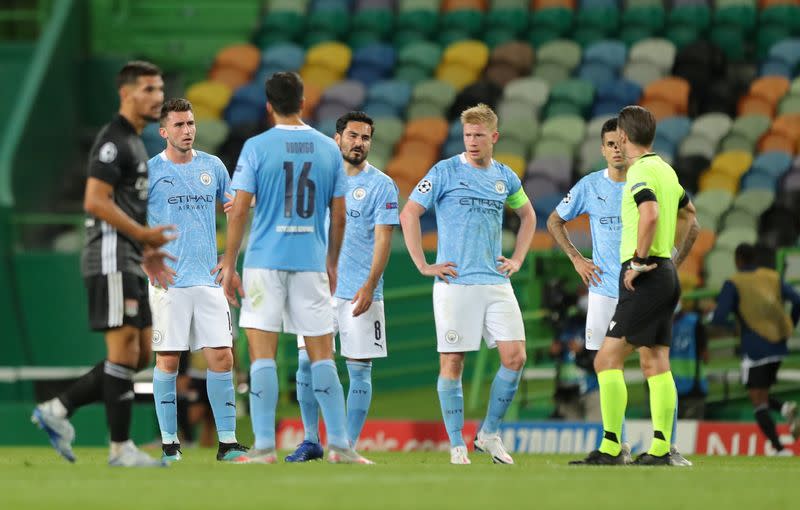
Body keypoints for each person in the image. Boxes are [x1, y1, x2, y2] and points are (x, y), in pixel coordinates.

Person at [219, 72, 371, 464]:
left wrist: (229, 262)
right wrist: (332, 261)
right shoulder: (326, 149)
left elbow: (238, 210)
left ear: (268, 106)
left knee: (263, 357)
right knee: (322, 354)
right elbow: (339, 215)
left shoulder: (256, 147)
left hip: (264, 263)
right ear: (304, 102)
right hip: (310, 262)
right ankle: (339, 445)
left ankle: (266, 447)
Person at [32, 61, 175, 467]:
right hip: (109, 256)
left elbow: (125, 203)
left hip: (129, 256)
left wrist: (146, 249)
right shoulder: (113, 141)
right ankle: (120, 449)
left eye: (160, 88)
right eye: (149, 89)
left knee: (142, 352)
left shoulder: (136, 142)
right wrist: (142, 235)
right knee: (124, 351)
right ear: (126, 93)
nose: (157, 97)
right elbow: (95, 200)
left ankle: (58, 408)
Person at [550, 118, 696, 465]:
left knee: (608, 360)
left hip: (638, 280)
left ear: (628, 139)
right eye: (609, 144)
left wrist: (640, 262)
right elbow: (691, 215)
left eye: (620, 142)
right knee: (653, 362)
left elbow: (651, 215)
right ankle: (657, 448)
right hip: (611, 287)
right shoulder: (659, 171)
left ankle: (617, 446)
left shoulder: (640, 174)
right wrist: (576, 259)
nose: (617, 149)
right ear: (602, 149)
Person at [399, 103, 536, 465]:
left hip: (495, 281)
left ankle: (489, 434)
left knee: (516, 356)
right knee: (453, 361)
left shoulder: (505, 177)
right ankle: (457, 443)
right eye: (467, 135)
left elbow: (528, 215)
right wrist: (423, 264)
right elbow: (409, 212)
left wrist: (518, 258)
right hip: (455, 283)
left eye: (479, 135)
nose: (473, 142)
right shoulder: (444, 171)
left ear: (494, 137)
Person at [287, 111, 399, 462]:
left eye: (365, 138)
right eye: (352, 136)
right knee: (306, 364)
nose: (358, 143)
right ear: (337, 139)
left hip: (358, 292)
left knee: (359, 369)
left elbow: (384, 241)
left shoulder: (382, 185)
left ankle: (345, 446)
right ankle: (310, 440)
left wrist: (370, 285)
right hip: (315, 290)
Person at [146, 98, 249, 463]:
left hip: (208, 279)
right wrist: (147, 257)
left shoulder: (213, 166)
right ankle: (170, 445)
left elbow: (235, 206)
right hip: (169, 281)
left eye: (190, 124)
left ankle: (227, 443)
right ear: (164, 132)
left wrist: (236, 211)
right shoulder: (151, 172)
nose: (187, 131)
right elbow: (131, 222)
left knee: (222, 358)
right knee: (169, 361)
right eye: (179, 125)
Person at [711, 243, 800, 455]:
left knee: (757, 401)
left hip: (754, 349)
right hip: (778, 347)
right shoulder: (771, 277)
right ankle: (785, 409)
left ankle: (779, 449)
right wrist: (790, 324)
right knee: (761, 393)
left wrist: (737, 326)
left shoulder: (735, 282)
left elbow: (719, 317)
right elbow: (797, 300)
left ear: (737, 260)